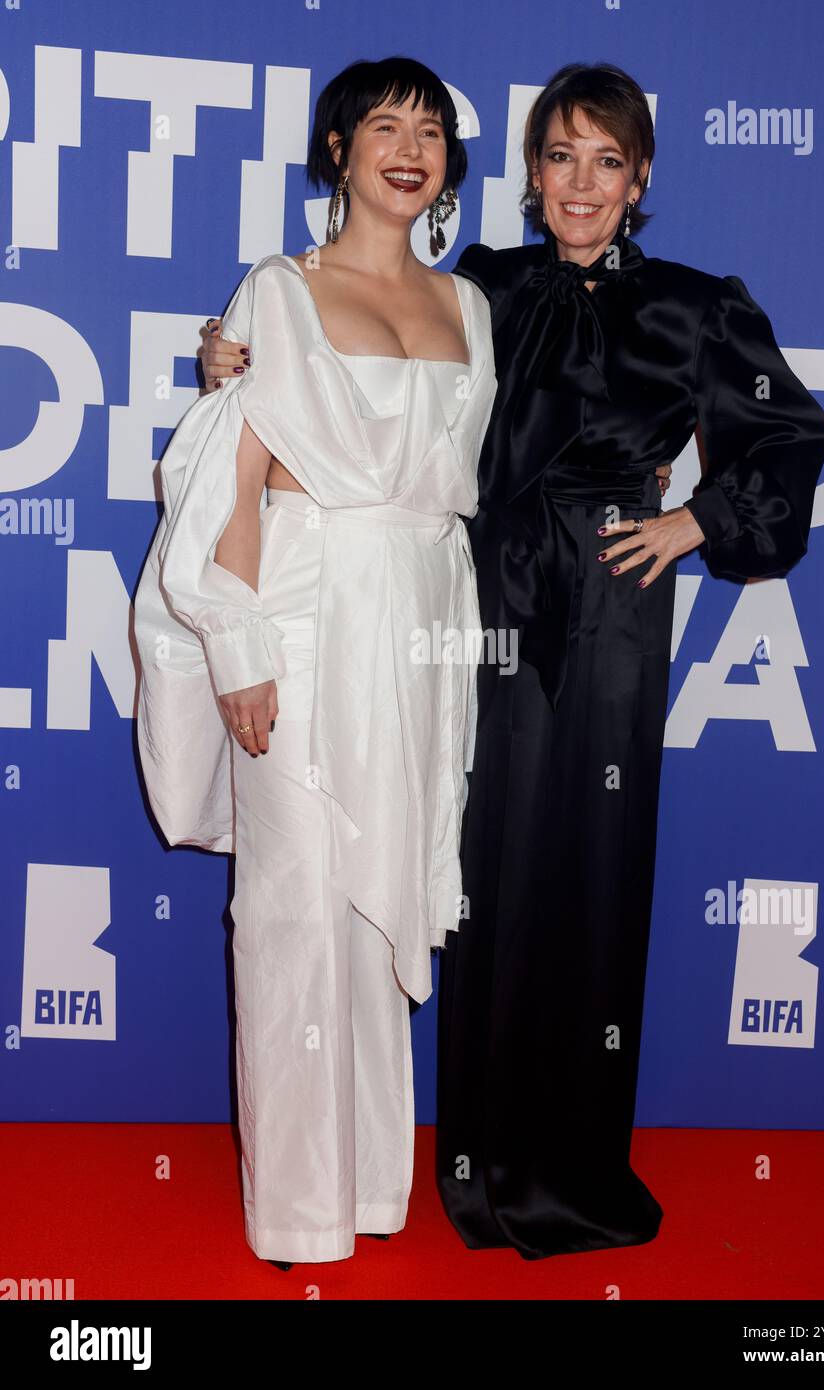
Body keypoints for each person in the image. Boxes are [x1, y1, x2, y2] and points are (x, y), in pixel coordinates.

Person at [200, 61, 824, 1261]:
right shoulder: (478, 285)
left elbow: (792, 436)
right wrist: (227, 350)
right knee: (475, 866)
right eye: (560, 156)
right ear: (532, 173)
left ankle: (569, 1170)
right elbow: (350, 355)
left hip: (606, 611)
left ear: (639, 177)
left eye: (607, 161)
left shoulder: (700, 305)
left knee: (585, 873)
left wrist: (693, 520)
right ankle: (473, 1164)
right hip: (468, 605)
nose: (581, 183)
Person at [133, 56, 497, 1266]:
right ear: (336, 149)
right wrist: (233, 642)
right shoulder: (274, 293)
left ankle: (370, 1186)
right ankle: (296, 1206)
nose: (410, 145)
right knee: (292, 904)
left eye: (430, 129)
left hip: (420, 622)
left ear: (448, 163)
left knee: (373, 893)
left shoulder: (471, 306)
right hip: (293, 611)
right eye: (384, 124)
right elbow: (231, 472)